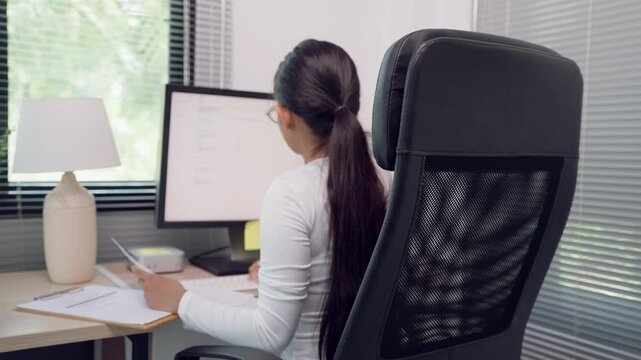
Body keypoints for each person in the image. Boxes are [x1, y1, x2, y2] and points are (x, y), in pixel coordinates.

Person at [135, 39, 387, 360]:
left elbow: (270, 332)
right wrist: (277, 275)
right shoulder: (383, 178)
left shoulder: (291, 193)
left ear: (285, 115)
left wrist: (180, 300)